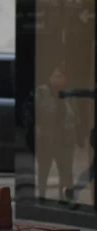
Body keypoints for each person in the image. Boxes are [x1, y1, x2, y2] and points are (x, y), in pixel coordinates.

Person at [35, 65, 78, 200]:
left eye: (60, 76)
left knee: (66, 171)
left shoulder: (69, 95)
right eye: (54, 76)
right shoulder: (42, 92)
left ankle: (64, 198)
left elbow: (75, 116)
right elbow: (33, 113)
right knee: (44, 170)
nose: (56, 79)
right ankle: (41, 197)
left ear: (65, 79)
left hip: (65, 139)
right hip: (46, 138)